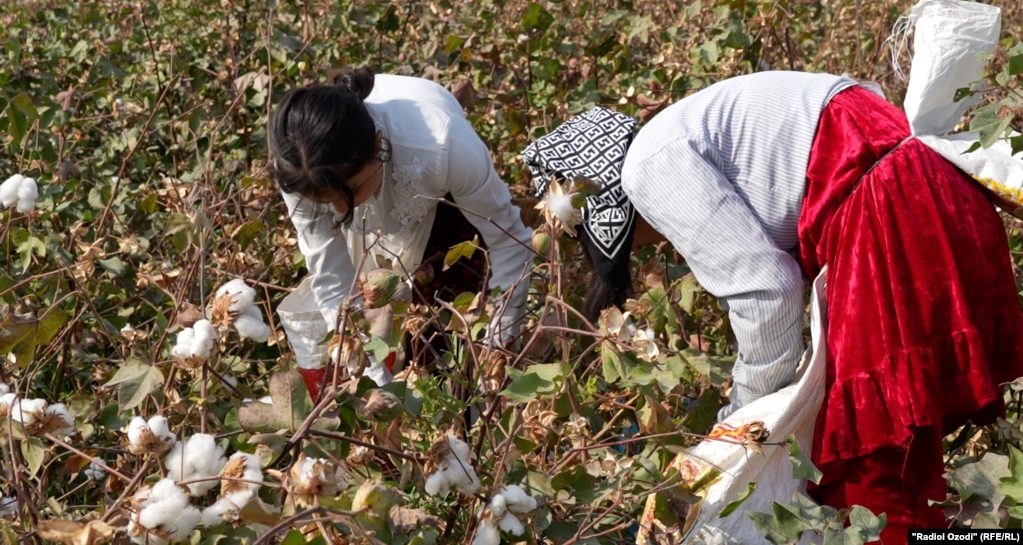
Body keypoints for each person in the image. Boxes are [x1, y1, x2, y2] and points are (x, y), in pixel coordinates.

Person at [522, 70, 1023, 543]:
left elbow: (768, 293)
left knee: (868, 489)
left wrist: (742, 428)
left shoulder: (648, 167)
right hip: (931, 195)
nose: (651, 249)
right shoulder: (687, 125)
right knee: (906, 466)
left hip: (890, 222)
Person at [269, 66, 533, 401]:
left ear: (379, 145)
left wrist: (498, 340)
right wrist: (372, 378)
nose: (337, 212)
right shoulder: (298, 165)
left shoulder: (445, 146)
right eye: (324, 202)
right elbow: (332, 279)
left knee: (446, 340)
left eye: (348, 193)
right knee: (373, 326)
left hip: (441, 200)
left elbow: (509, 241)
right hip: (358, 179)